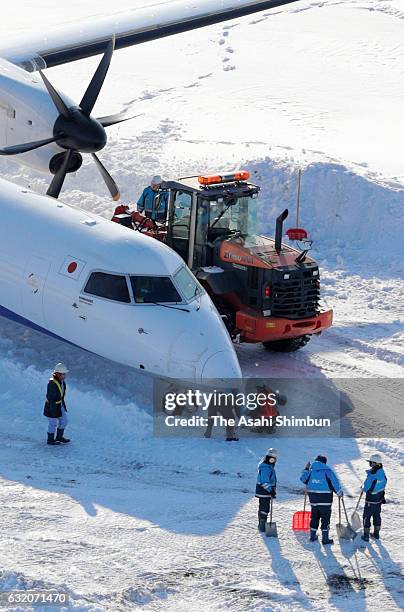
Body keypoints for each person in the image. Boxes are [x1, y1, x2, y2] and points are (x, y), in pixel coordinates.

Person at [300, 455, 343, 545]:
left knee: (314, 517)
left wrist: (306, 469)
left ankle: (312, 536)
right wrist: (339, 493)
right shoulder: (328, 471)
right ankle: (325, 539)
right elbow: (334, 483)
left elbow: (303, 479)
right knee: (325, 519)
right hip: (325, 501)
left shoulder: (311, 471)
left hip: (313, 500)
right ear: (324, 462)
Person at [361, 453, 387, 542]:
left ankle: (366, 536)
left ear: (375, 463)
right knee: (377, 516)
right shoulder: (382, 473)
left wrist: (362, 487)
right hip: (379, 500)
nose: (370, 464)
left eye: (371, 462)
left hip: (370, 501)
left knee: (366, 517)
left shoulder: (373, 475)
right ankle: (376, 534)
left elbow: (366, 488)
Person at [43, 363, 70, 446]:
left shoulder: (62, 382)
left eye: (64, 374)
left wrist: (62, 406)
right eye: (62, 374)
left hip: (59, 405)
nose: (64, 376)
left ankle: (59, 437)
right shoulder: (52, 384)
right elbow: (50, 398)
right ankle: (50, 440)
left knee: (64, 421)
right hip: (52, 407)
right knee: (53, 423)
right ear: (57, 374)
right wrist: (54, 410)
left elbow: (61, 396)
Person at [255, 448, 277, 532]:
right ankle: (262, 526)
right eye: (272, 458)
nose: (274, 460)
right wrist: (270, 490)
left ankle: (262, 524)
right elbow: (264, 481)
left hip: (265, 491)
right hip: (264, 491)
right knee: (264, 508)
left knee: (264, 507)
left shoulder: (268, 466)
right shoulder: (266, 467)